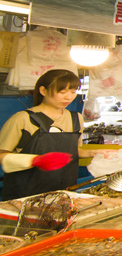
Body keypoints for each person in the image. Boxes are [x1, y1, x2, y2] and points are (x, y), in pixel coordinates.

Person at [0, 69, 82, 200]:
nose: (69, 97)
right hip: (24, 195)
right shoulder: (22, 119)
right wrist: (35, 160)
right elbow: (2, 155)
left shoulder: (76, 118)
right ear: (43, 91)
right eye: (62, 92)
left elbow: (74, 151)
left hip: (63, 192)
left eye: (73, 92)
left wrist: (97, 153)